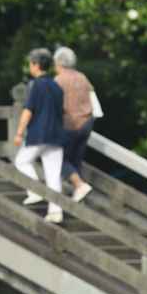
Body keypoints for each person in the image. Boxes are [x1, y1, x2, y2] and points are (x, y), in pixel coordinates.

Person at [14, 48, 67, 224]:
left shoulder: (36, 85)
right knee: (53, 174)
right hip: (56, 135)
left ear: (36, 65)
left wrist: (20, 133)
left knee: (21, 161)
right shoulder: (57, 86)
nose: (30, 66)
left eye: (31, 63)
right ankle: (55, 211)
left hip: (39, 133)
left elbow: (29, 110)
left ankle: (35, 190)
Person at [52, 46, 96, 202]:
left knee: (58, 159)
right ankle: (79, 193)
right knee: (76, 161)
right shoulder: (83, 77)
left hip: (70, 125)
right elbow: (92, 98)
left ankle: (79, 185)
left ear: (59, 63)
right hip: (86, 124)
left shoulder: (59, 80)